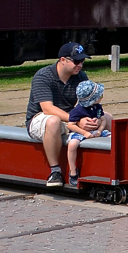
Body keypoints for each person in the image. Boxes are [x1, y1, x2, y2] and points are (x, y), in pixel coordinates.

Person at [25, 43, 98, 188]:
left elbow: (86, 103)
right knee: (53, 121)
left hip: (68, 118)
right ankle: (55, 171)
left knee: (105, 117)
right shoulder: (43, 76)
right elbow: (47, 109)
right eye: (76, 61)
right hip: (40, 119)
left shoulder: (80, 76)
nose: (80, 65)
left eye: (82, 61)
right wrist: (77, 120)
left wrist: (89, 118)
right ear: (63, 60)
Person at [65, 80, 112, 187]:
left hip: (95, 131)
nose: (102, 97)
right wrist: (84, 133)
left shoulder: (98, 107)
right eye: (100, 95)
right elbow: (70, 125)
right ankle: (73, 171)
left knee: (112, 138)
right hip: (79, 132)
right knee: (72, 145)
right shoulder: (77, 110)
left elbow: (103, 119)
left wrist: (100, 130)